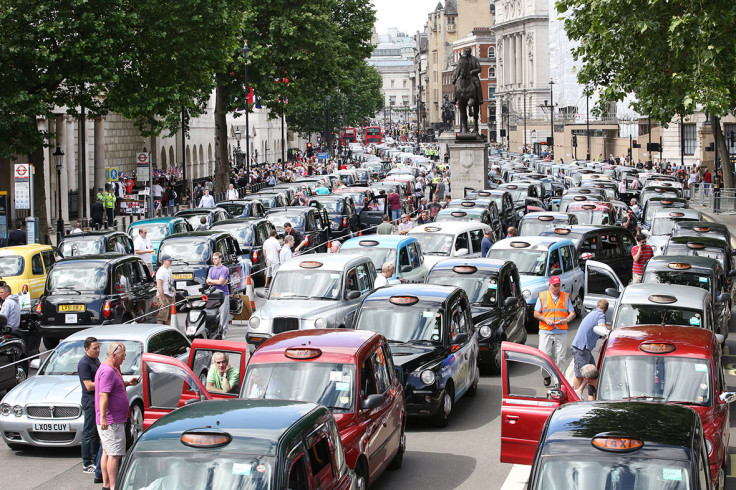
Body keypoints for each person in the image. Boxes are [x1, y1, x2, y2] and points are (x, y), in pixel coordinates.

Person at [96, 342, 139, 490]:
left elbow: (113, 389)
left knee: (108, 452)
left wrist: (126, 383)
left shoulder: (111, 368)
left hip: (112, 419)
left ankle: (107, 485)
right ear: (114, 355)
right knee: (114, 454)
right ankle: (114, 486)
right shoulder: (108, 371)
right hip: (112, 420)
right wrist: (103, 418)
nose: (125, 358)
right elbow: (103, 395)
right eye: (123, 355)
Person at [533, 276, 575, 386]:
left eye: (558, 285)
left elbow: (572, 313)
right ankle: (546, 376)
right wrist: (546, 320)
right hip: (546, 330)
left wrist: (566, 320)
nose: (557, 288)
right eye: (555, 285)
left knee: (561, 357)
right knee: (544, 355)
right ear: (550, 285)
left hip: (561, 331)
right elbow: (536, 313)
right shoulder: (543, 296)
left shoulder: (565, 296)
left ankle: (559, 379)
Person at [571, 299, 609, 390]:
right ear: (606, 309)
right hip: (581, 348)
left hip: (584, 348)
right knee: (580, 375)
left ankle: (591, 394)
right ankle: (577, 396)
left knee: (593, 373)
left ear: (597, 306)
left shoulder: (593, 313)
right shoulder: (601, 315)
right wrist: (611, 329)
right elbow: (602, 326)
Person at [78, 337, 101, 475]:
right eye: (95, 348)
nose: (98, 350)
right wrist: (106, 382)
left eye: (98, 347)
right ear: (87, 349)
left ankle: (94, 459)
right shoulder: (84, 363)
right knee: (88, 432)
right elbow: (88, 385)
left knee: (95, 433)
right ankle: (87, 463)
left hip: (96, 400)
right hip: (90, 401)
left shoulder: (95, 360)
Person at [206, 252, 231, 335]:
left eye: (216, 258)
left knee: (223, 313)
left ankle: (223, 331)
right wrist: (217, 282)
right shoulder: (211, 269)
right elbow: (208, 282)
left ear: (220, 259)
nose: (214, 260)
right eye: (213, 259)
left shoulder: (224, 269)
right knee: (213, 313)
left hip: (223, 294)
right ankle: (214, 331)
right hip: (213, 295)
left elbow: (220, 282)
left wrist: (213, 281)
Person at [156, 256, 175, 325]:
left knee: (170, 316)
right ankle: (159, 330)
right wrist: (163, 296)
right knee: (162, 315)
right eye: (169, 261)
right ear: (164, 261)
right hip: (164, 295)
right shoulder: (161, 271)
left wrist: (174, 291)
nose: (171, 262)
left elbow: (171, 282)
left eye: (171, 261)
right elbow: (159, 285)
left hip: (170, 294)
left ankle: (168, 329)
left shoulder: (169, 270)